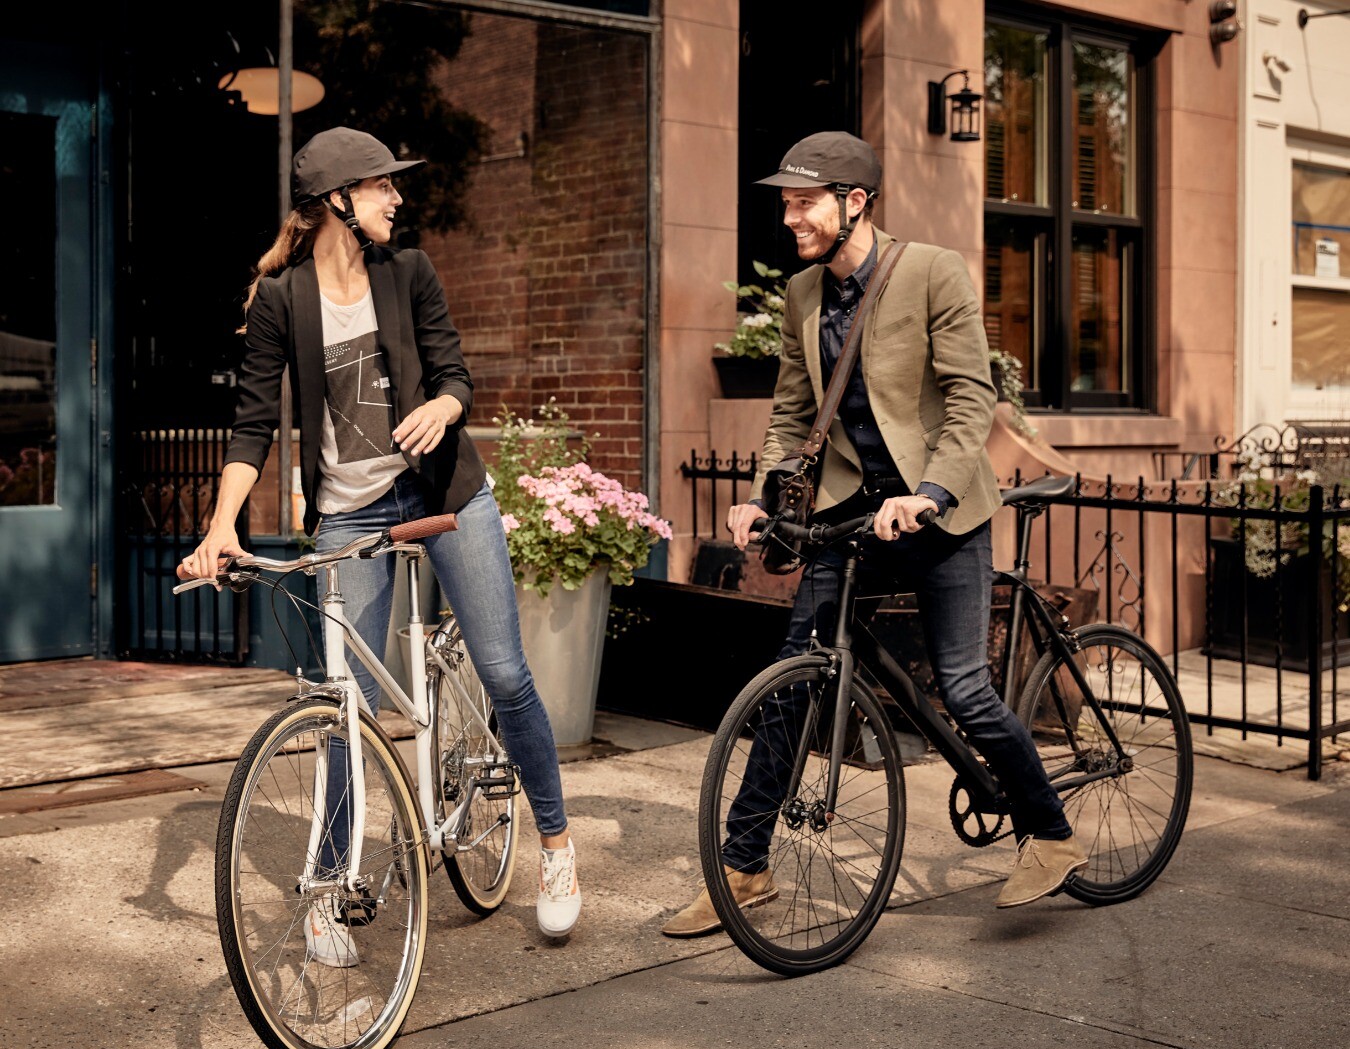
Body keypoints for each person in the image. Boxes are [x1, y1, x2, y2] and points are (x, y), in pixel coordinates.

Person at [661, 131, 1086, 937]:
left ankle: (1051, 833)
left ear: (855, 202)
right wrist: (759, 497)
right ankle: (745, 868)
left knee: (965, 689)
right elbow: (791, 414)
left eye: (805, 203)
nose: (791, 218)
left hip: (939, 515)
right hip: (850, 516)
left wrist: (929, 493)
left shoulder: (932, 272)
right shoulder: (802, 294)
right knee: (791, 685)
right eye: (787, 204)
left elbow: (970, 399)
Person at [181, 127, 582, 957]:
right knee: (345, 706)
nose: (396, 197)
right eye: (380, 186)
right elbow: (253, 424)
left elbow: (454, 373)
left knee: (505, 672)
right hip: (352, 513)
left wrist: (445, 406)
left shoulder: (409, 272)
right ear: (338, 201)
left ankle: (555, 847)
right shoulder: (282, 299)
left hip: (445, 495)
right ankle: (330, 886)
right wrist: (222, 525)